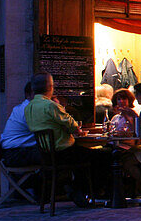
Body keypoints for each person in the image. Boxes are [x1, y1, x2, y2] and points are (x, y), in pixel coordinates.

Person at [23, 73, 91, 206]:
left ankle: (72, 188)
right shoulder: (50, 106)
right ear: (50, 87)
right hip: (63, 152)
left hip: (45, 154)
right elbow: (72, 125)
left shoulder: (28, 108)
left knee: (84, 155)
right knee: (96, 156)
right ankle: (82, 191)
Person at [0, 81, 40, 167]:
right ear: (28, 95)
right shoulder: (30, 109)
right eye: (37, 93)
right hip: (16, 154)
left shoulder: (22, 107)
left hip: (12, 152)